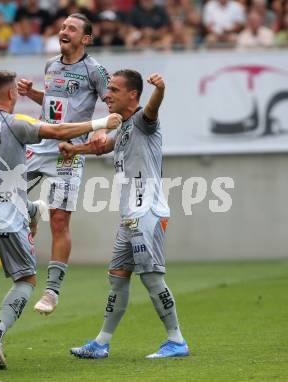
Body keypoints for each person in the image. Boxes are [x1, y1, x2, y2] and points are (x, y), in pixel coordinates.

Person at [0, 70, 121, 370]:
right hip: (8, 220)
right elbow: (60, 132)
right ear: (12, 94)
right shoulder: (16, 125)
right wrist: (101, 123)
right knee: (26, 280)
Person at [59, 70, 190, 359]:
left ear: (133, 95)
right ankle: (101, 343)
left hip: (147, 214)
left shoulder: (143, 121)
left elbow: (153, 110)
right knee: (118, 277)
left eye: (114, 90)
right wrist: (75, 149)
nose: (107, 95)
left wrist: (160, 89)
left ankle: (176, 340)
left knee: (152, 278)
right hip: (130, 216)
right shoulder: (126, 127)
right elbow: (103, 145)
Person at [18, 13, 110, 315]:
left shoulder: (95, 71)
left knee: (59, 220)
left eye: (72, 28)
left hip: (68, 151)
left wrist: (100, 130)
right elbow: (54, 101)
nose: (63, 31)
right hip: (41, 143)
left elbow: (113, 106)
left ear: (86, 39)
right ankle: (31, 210)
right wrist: (32, 93)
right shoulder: (51, 65)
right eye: (62, 27)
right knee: (6, 191)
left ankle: (52, 292)